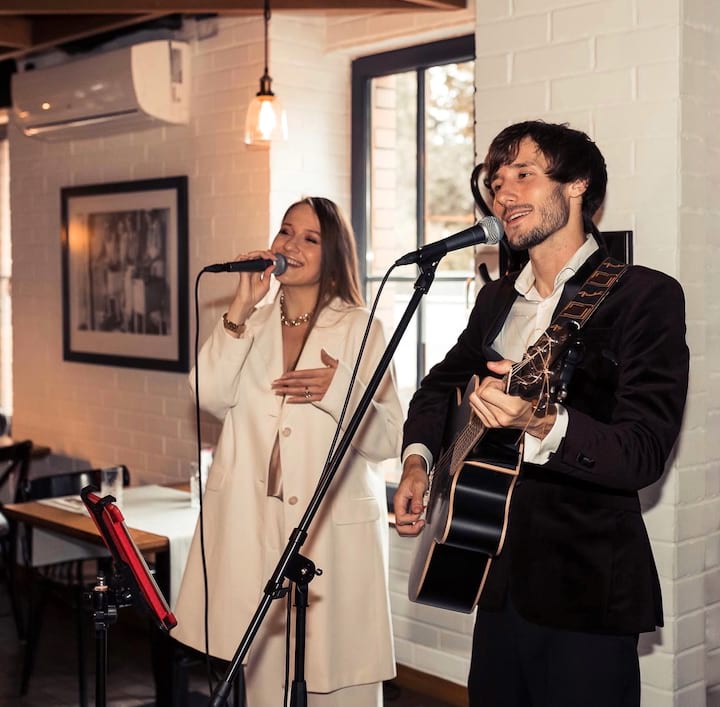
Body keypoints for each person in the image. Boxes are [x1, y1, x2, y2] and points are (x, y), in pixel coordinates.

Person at [393, 120, 689, 707]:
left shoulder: (643, 296)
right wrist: (418, 462)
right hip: (491, 572)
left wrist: (539, 422)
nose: (503, 194)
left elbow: (643, 452)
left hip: (586, 588)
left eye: (522, 175)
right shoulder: (496, 298)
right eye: (496, 183)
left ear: (577, 184)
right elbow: (437, 389)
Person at [173, 196, 403, 707]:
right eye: (285, 231)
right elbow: (207, 395)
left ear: (333, 254)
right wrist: (238, 309)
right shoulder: (248, 324)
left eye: (310, 238)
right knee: (263, 678)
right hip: (256, 522)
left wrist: (338, 391)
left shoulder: (360, 327)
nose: (291, 245)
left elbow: (389, 438)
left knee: (340, 680)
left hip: (329, 527)